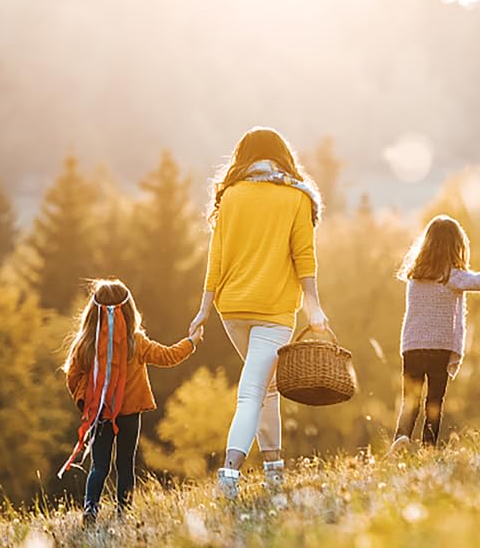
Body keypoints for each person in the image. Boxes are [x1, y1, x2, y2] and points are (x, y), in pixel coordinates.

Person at [188, 126, 329, 499]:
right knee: (253, 392)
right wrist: (314, 306)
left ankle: (273, 470)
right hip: (274, 311)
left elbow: (215, 259)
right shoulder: (296, 198)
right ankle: (230, 475)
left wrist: (203, 310)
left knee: (266, 390)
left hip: (231, 309)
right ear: (282, 156)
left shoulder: (230, 196)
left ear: (243, 157)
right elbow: (304, 258)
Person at [60, 279, 201, 526]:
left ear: (92, 312)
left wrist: (86, 400)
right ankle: (123, 513)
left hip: (100, 413)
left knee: (99, 466)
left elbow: (72, 376)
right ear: (128, 309)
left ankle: (90, 511)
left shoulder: (85, 343)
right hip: (130, 415)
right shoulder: (137, 342)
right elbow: (167, 356)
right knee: (125, 464)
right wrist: (191, 343)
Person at [385, 215, 480, 456]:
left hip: (411, 347)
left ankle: (401, 438)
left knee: (410, 400)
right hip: (438, 348)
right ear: (456, 246)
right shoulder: (450, 277)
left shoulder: (415, 277)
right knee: (434, 401)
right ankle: (428, 450)